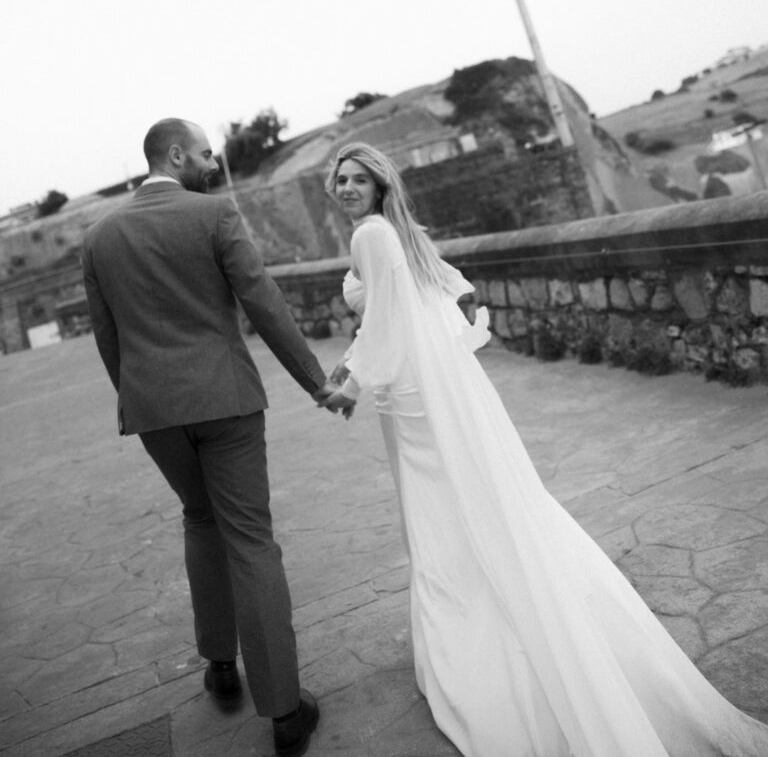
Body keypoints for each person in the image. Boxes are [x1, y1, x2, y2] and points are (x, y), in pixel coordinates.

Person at [320, 141, 768, 757]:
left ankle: (474, 644)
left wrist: (350, 382)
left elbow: (387, 324)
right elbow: (441, 285)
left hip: (414, 398)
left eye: (357, 179)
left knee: (438, 513)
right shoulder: (399, 231)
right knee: (479, 502)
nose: (346, 187)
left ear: (378, 186)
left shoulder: (371, 235)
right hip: (440, 388)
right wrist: (378, 353)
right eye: (339, 179)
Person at [83, 118, 335, 757]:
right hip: (226, 401)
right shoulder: (214, 214)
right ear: (173, 154)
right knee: (251, 542)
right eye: (202, 152)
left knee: (200, 522)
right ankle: (283, 712)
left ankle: (222, 668)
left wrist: (142, 397)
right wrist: (314, 380)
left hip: (154, 411)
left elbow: (107, 337)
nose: (210, 161)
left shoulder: (99, 236)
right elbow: (263, 302)